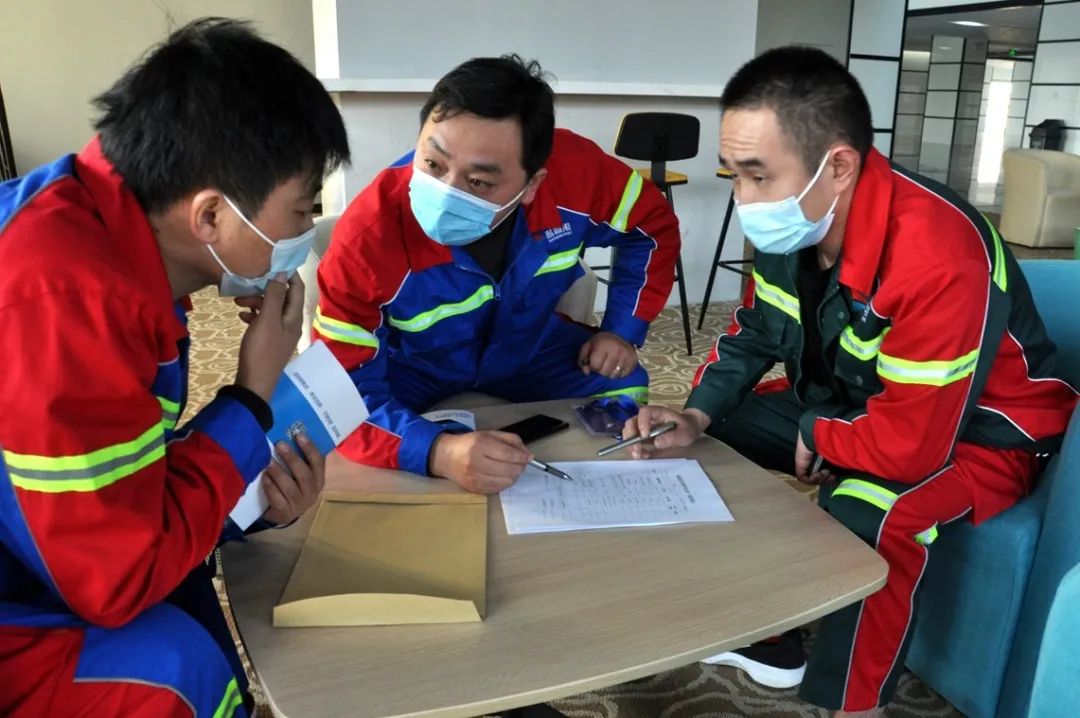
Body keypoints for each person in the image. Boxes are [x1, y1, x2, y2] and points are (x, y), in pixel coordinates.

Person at [622, 46, 1077, 717]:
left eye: (757, 176)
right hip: (854, 401)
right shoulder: (796, 225)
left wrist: (821, 433)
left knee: (871, 509)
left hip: (980, 433)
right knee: (709, 438)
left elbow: (913, 446)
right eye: (734, 174)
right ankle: (767, 624)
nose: (743, 199)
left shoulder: (936, 253)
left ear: (837, 166)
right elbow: (755, 331)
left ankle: (854, 704)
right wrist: (696, 414)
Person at [0, 19, 349, 718]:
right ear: (211, 216)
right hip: (24, 596)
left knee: (195, 591)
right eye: (301, 208)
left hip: (44, 544)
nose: (304, 233)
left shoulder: (111, 232)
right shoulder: (68, 303)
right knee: (180, 672)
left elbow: (126, 476)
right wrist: (251, 395)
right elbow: (115, 579)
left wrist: (245, 500)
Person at [315, 55, 680, 494]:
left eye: (479, 182)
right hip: (412, 366)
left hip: (527, 347)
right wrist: (437, 452)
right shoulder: (366, 238)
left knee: (624, 380)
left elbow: (652, 228)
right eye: (432, 163)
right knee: (338, 432)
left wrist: (621, 330)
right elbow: (340, 396)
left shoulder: (577, 173)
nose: (446, 192)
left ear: (532, 184)